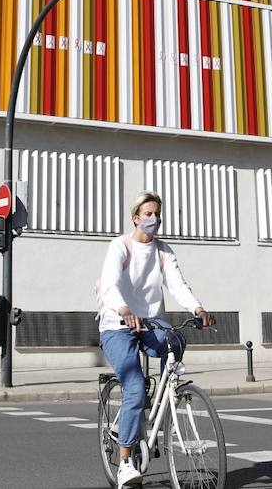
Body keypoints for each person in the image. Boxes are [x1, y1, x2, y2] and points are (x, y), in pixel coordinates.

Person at [98, 191, 213, 488]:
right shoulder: (121, 246)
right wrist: (123, 309)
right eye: (148, 214)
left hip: (149, 323)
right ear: (135, 217)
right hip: (117, 324)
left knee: (175, 340)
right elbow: (109, 285)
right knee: (134, 386)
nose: (154, 219)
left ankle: (164, 399)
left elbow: (177, 284)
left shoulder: (163, 251)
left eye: (157, 214)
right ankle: (125, 463)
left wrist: (197, 308)